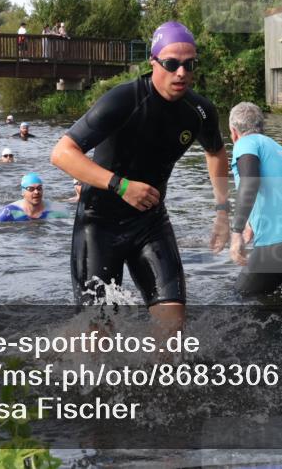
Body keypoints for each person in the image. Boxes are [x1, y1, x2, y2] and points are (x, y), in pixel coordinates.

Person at [50, 21, 230, 330]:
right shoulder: (123, 100)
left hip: (150, 223)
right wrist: (120, 186)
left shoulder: (199, 111)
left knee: (172, 326)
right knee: (98, 335)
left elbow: (215, 152)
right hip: (99, 224)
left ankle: (160, 379)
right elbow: (62, 153)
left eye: (190, 65)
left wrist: (222, 212)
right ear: (154, 62)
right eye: (172, 64)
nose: (182, 73)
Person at [218, 102, 282, 295]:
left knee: (239, 302)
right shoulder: (280, 150)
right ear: (262, 127)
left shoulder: (246, 143)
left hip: (279, 243)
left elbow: (250, 182)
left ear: (233, 132)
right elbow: (279, 192)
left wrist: (236, 232)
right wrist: (252, 224)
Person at [0, 173, 65, 221]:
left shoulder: (56, 210)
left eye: (39, 188)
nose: (36, 192)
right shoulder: (10, 211)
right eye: (31, 189)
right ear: (23, 192)